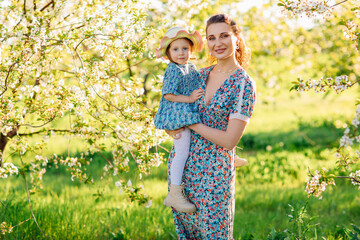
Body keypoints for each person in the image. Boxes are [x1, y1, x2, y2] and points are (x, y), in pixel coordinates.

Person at [165, 13, 256, 239]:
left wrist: (190, 123)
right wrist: (171, 127)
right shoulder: (199, 74)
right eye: (212, 38)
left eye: (224, 36)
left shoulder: (243, 84)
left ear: (237, 38)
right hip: (183, 171)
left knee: (216, 235)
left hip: (214, 175)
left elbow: (229, 140)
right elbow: (172, 108)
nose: (218, 43)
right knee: (187, 235)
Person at [154, 27, 204, 213]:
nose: (181, 53)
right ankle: (174, 192)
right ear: (168, 53)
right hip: (177, 114)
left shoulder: (190, 66)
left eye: (185, 48)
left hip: (188, 111)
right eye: (175, 49)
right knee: (182, 151)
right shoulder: (173, 70)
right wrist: (190, 99)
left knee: (204, 133)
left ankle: (227, 153)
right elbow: (168, 95)